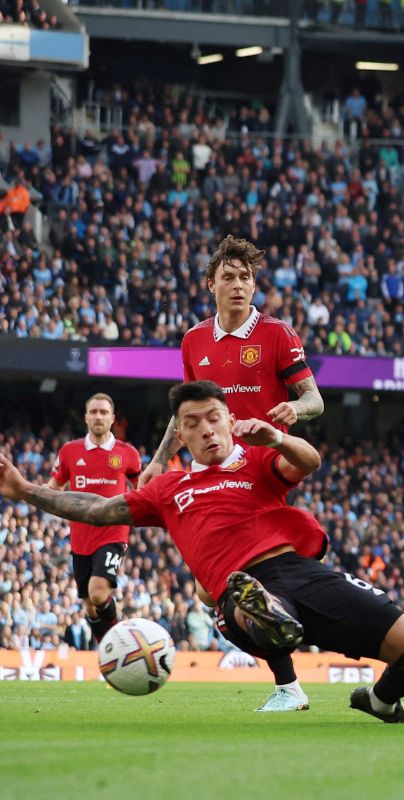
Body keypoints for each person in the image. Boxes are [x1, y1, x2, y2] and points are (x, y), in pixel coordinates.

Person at [1, 381, 404, 724]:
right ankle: (261, 618)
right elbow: (97, 509)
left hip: (302, 571)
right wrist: (24, 490)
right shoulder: (168, 489)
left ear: (230, 421)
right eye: (192, 422)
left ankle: (379, 701)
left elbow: (309, 462)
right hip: (238, 585)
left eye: (214, 418)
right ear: (180, 435)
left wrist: (278, 439)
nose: (206, 429)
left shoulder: (255, 460)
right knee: (242, 602)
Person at [138, 235, 325, 713]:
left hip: (261, 473)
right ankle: (287, 665)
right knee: (210, 588)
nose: (239, 285)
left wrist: (293, 411)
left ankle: (290, 674)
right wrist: (160, 459)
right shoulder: (194, 340)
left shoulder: (278, 334)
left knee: (231, 580)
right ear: (211, 285)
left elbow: (314, 399)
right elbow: (184, 412)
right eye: (229, 277)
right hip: (210, 473)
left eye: (246, 278)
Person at [47, 393, 141, 646]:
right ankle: (106, 648)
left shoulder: (128, 453)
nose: (98, 416)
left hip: (113, 533)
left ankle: (120, 642)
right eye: (94, 412)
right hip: (80, 538)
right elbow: (53, 487)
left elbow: (142, 487)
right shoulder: (69, 452)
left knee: (99, 593)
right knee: (90, 607)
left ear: (112, 418)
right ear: (86, 417)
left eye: (103, 412)